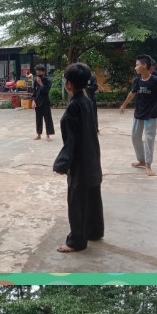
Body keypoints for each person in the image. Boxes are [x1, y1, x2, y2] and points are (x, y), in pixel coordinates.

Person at [52, 61, 103, 252]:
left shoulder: (74, 106)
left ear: (69, 84)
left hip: (80, 162)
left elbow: (70, 141)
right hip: (92, 156)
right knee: (93, 196)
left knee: (77, 202)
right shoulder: (87, 101)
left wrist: (62, 164)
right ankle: (95, 231)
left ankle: (77, 241)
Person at [32, 64, 54, 140]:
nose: (38, 73)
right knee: (38, 119)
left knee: (47, 119)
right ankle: (39, 134)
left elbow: (46, 91)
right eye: (37, 71)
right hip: (38, 102)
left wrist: (41, 83)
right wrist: (33, 100)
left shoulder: (47, 81)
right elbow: (34, 92)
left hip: (45, 102)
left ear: (43, 72)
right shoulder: (35, 81)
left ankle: (48, 135)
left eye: (40, 71)